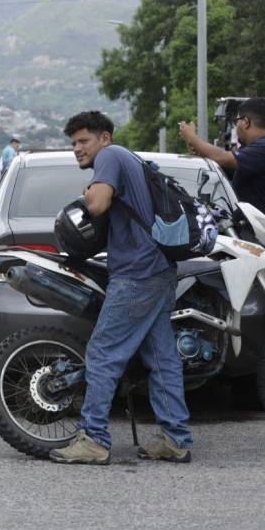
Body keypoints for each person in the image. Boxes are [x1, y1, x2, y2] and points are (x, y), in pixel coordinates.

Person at [49, 110, 193, 465]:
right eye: (73, 144)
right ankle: (175, 438)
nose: (78, 149)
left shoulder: (111, 157)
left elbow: (98, 204)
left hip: (137, 274)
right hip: (158, 268)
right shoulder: (130, 158)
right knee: (161, 358)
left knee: (102, 353)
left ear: (104, 138)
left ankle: (94, 439)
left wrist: (87, 193)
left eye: (84, 141)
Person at [179, 97, 265, 311]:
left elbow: (226, 158)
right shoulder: (256, 152)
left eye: (237, 122)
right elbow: (223, 164)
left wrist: (194, 139)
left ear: (245, 122)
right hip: (259, 244)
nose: (236, 128)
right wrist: (198, 148)